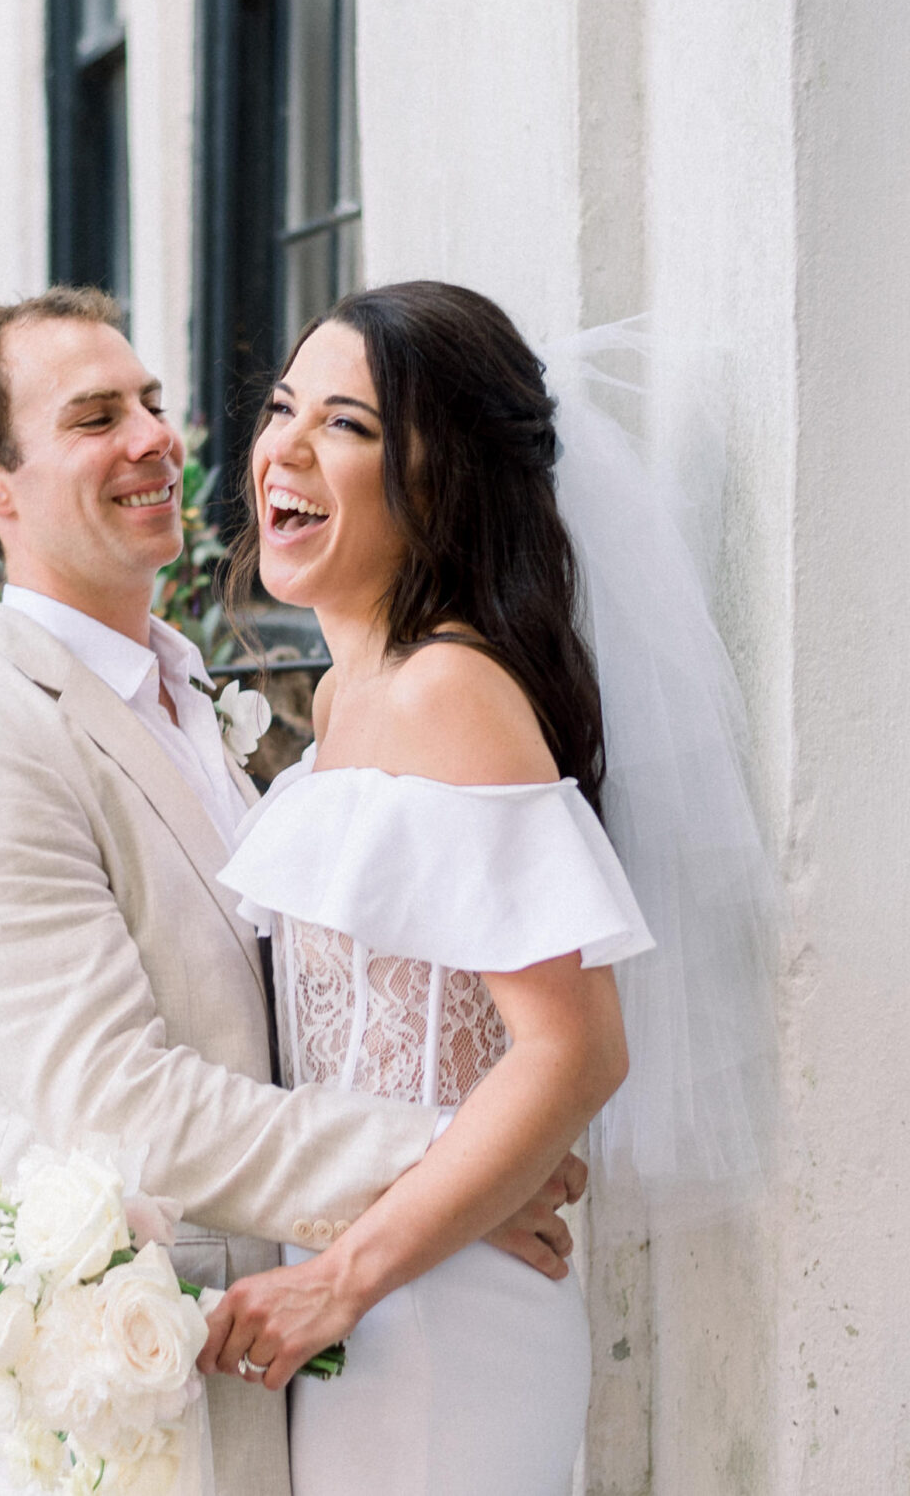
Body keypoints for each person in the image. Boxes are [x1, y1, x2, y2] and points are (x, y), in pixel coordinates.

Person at [0, 286, 588, 1496]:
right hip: (115, 1415)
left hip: (299, 1360)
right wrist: (454, 1162)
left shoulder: (191, 694)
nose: (154, 438)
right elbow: (116, 1102)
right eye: (95, 416)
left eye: (153, 401)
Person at [199, 281, 661, 1496]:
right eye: (283, 406)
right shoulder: (349, 697)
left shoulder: (447, 688)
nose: (283, 450)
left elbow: (572, 1049)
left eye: (346, 424)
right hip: (369, 1294)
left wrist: (337, 1277)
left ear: (439, 477)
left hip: (442, 1313)